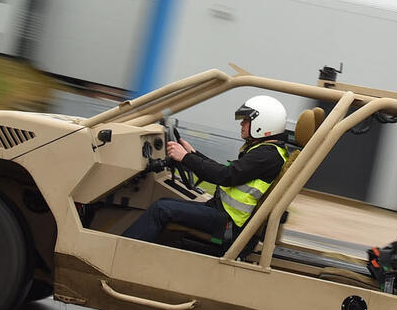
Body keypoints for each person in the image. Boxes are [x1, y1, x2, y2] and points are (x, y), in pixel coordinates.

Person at [122, 95, 289, 246]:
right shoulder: (266, 151)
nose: (241, 124)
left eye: (246, 119)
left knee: (161, 209)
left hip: (227, 224)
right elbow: (228, 170)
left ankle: (120, 252)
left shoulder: (266, 155)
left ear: (263, 123)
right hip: (223, 214)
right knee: (164, 203)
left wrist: (185, 158)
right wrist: (193, 154)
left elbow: (224, 176)